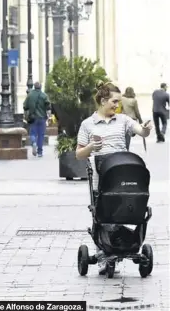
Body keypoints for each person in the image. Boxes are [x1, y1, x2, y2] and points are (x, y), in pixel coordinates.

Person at [75, 81, 152, 275]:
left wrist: (146, 129)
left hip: (123, 174)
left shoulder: (124, 120)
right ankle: (102, 251)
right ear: (103, 101)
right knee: (102, 213)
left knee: (124, 210)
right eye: (114, 101)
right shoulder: (87, 124)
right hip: (100, 177)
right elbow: (79, 154)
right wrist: (91, 148)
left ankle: (123, 244)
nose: (117, 105)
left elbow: (140, 131)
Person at [23, 81, 50, 157]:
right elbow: (48, 107)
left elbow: (25, 106)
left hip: (33, 118)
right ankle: (40, 152)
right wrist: (48, 115)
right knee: (41, 135)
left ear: (34, 87)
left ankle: (34, 142)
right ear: (40, 87)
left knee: (32, 133)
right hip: (42, 118)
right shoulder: (44, 95)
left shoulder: (30, 95)